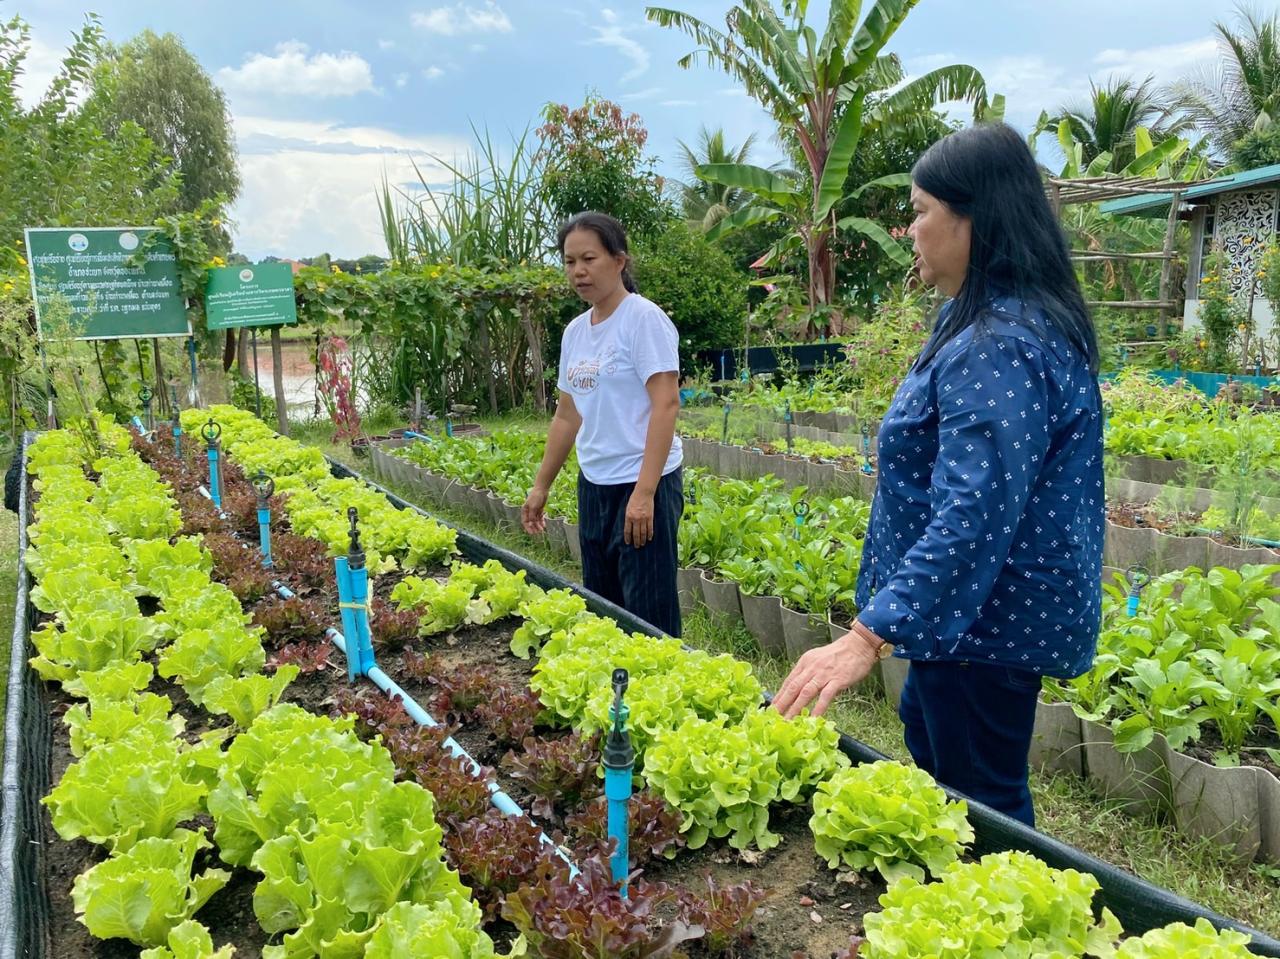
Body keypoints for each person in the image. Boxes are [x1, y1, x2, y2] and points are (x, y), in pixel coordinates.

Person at [772, 122, 1105, 828]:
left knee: (984, 800)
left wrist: (865, 636)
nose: (911, 228)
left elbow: (974, 511)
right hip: (968, 622)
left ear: (972, 218)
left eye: (922, 210)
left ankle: (1005, 915)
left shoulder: (999, 343)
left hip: (984, 624)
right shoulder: (977, 318)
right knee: (930, 728)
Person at [522, 211, 685, 636]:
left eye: (588, 259)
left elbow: (666, 404)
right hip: (595, 483)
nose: (578, 271)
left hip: (642, 480)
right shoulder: (575, 332)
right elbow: (567, 414)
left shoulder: (643, 320)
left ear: (619, 261)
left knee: (649, 614)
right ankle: (615, 697)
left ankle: (660, 690)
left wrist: (645, 493)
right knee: (603, 607)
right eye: (569, 261)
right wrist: (541, 487)